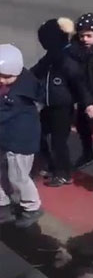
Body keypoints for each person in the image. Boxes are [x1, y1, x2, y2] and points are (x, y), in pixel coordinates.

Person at [32, 17, 90, 187]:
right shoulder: (51, 56)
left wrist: (87, 104)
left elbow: (79, 84)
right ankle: (48, 161)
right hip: (48, 105)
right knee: (38, 132)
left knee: (59, 142)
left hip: (62, 108)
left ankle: (64, 172)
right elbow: (35, 71)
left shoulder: (67, 60)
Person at [0, 44, 44, 228]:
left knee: (18, 177)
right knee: (4, 172)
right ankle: (3, 202)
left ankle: (32, 206)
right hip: (6, 139)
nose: (2, 80)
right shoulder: (13, 86)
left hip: (20, 144)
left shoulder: (17, 97)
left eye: (6, 77)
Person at [65, 13, 93, 168]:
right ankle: (88, 152)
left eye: (89, 35)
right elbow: (77, 78)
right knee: (82, 124)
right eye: (82, 35)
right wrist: (87, 101)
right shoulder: (74, 52)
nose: (85, 39)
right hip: (84, 96)